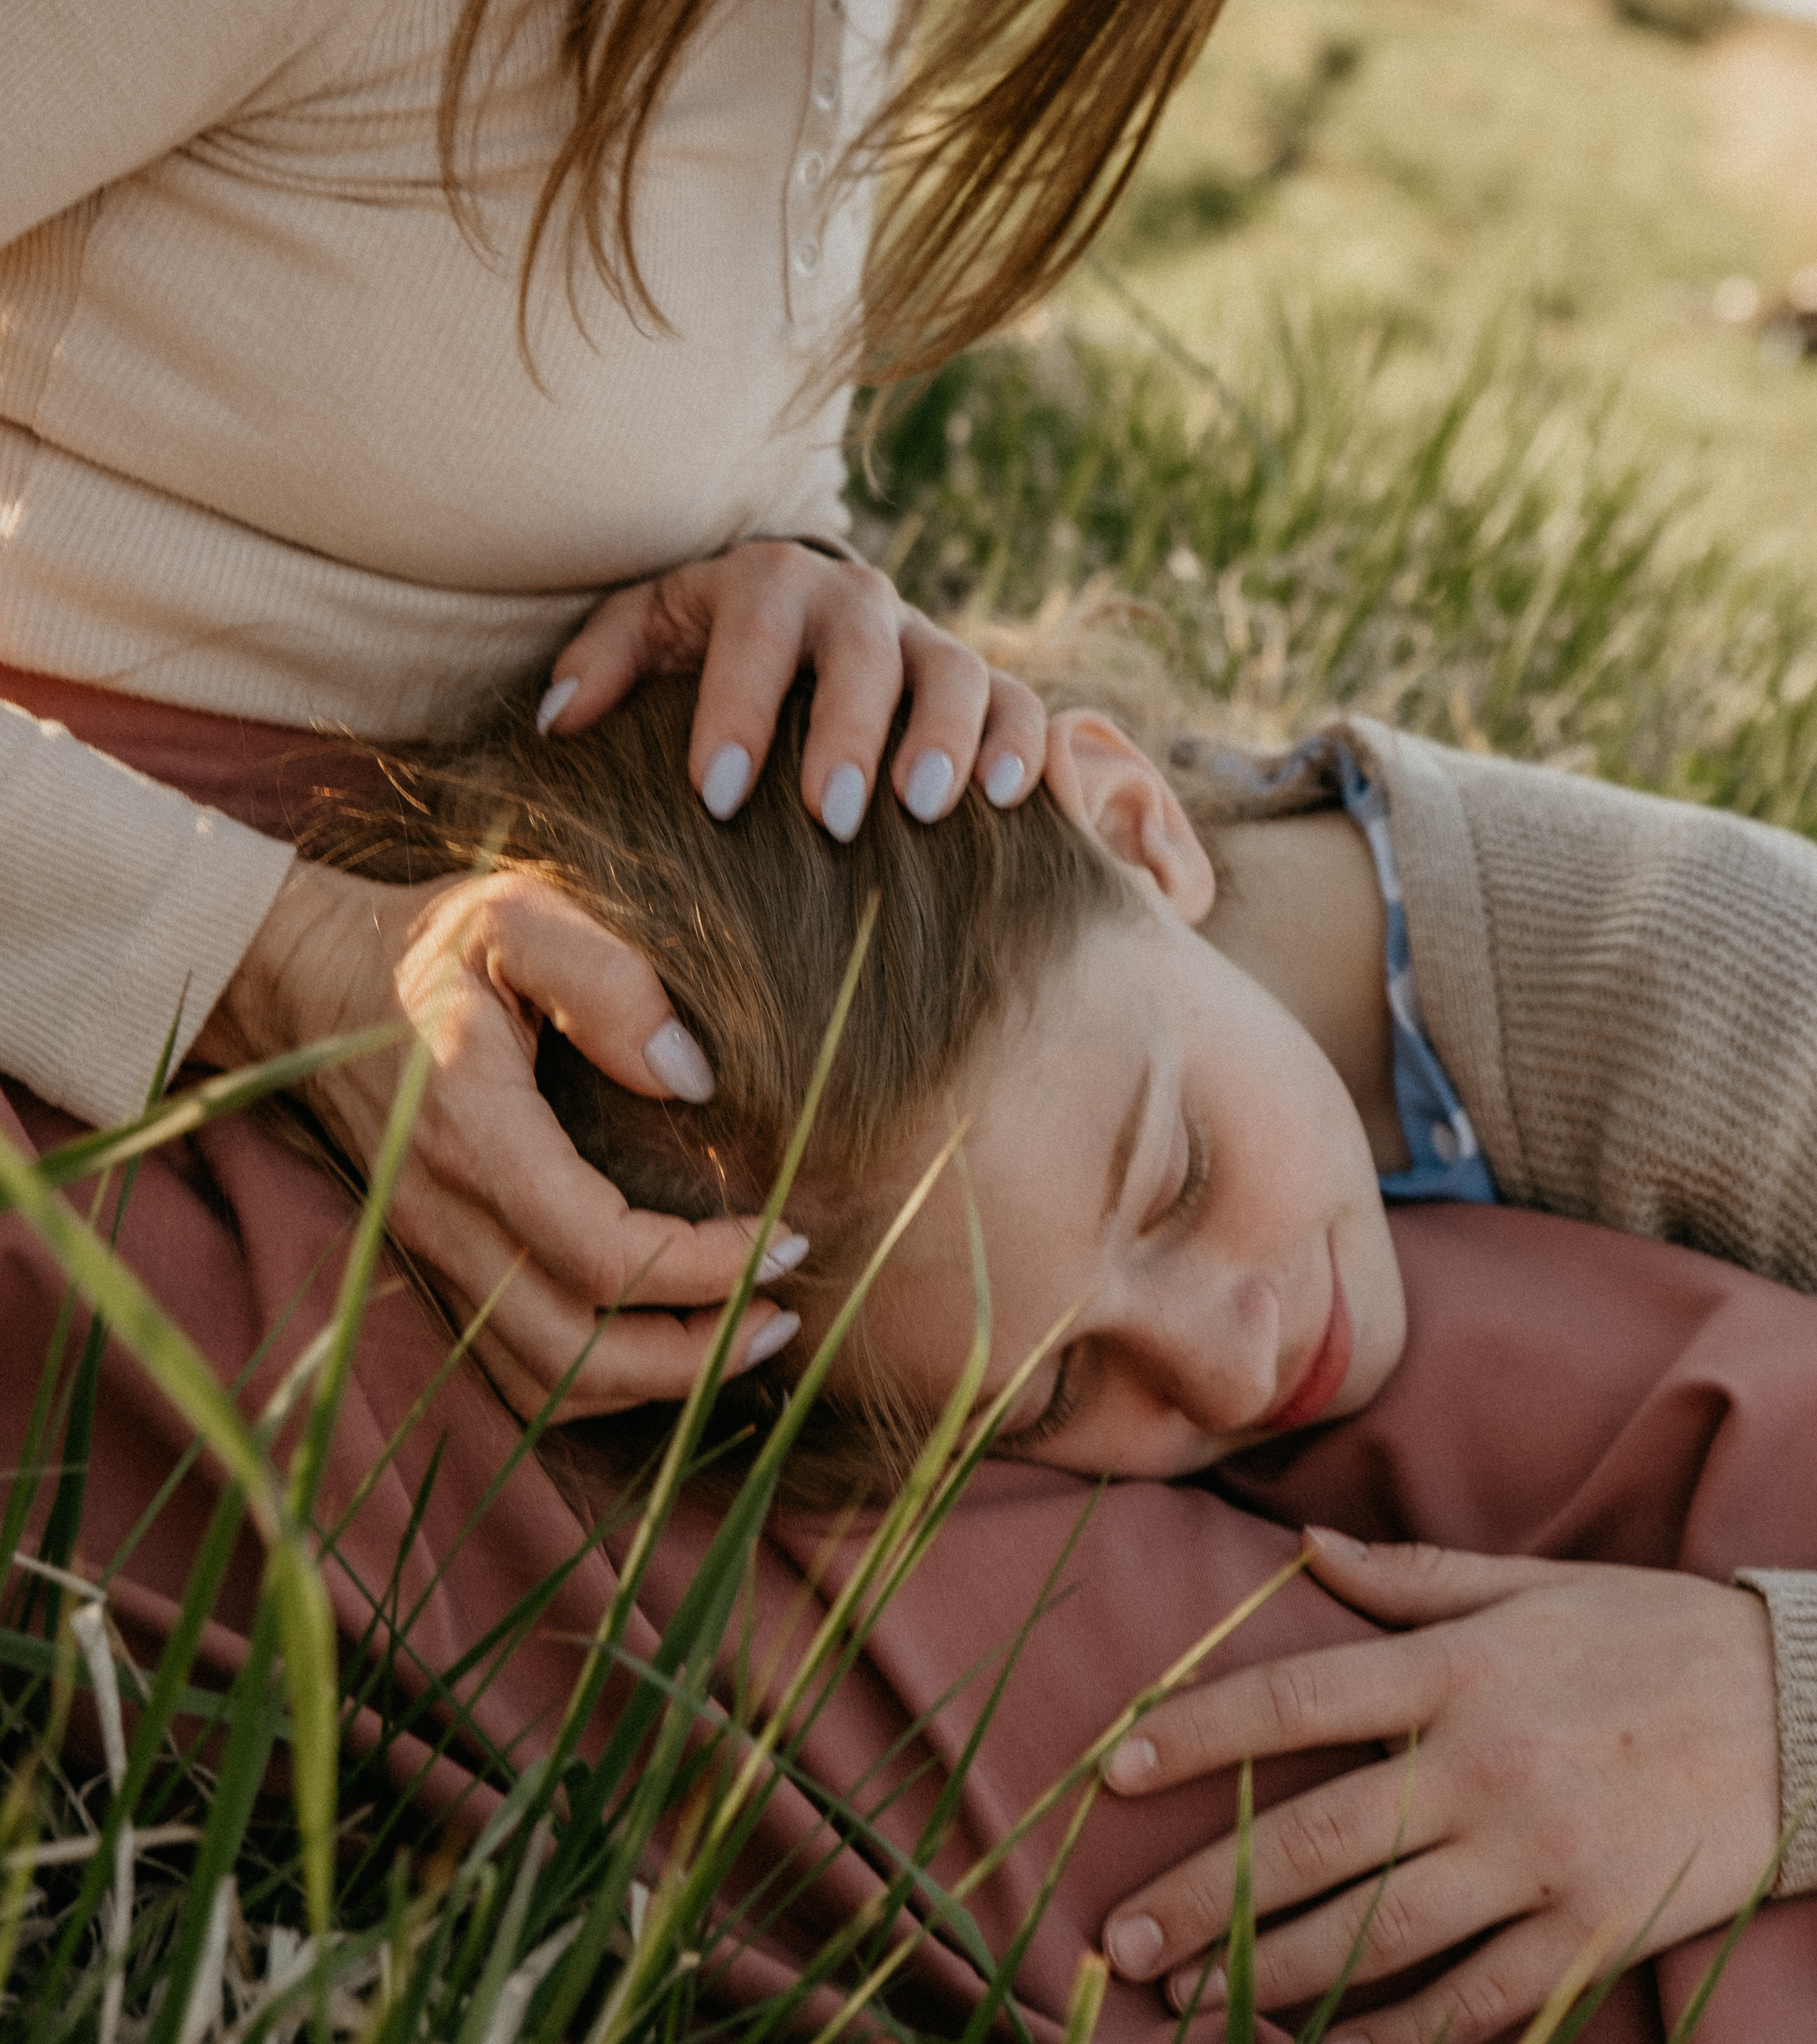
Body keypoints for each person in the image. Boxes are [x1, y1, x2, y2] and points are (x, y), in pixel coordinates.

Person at [2, 0, 1587, 1427]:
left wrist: (780, 566)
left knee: (1500, 1124)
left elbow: (522, 383)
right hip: (129, 1010)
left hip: (551, 988)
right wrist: (246, 944)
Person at [300, 648, 1817, 2039]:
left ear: (1133, 823)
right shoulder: (1096, 1056)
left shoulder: (1719, 994)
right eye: (1060, 1391)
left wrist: (1773, 1705)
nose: (1227, 1368)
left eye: (1179, 1179)